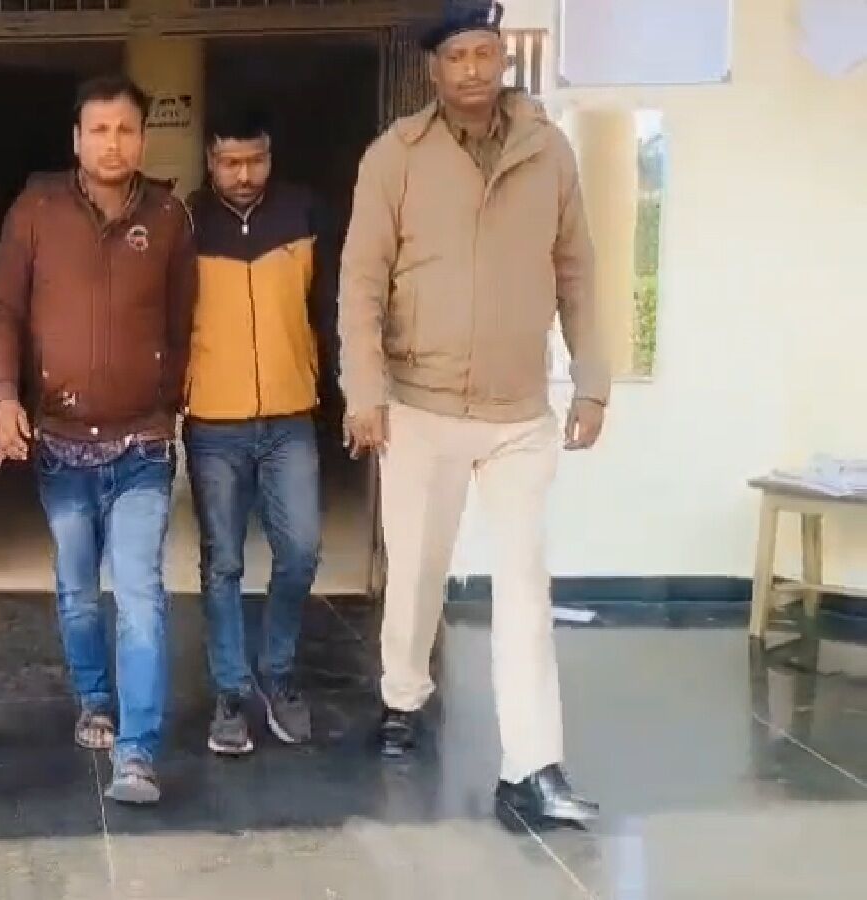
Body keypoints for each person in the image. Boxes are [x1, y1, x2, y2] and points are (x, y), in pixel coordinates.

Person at [337, 0, 609, 826]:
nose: (471, 70)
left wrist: (592, 380)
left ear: (502, 57)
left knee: (524, 585)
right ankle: (402, 694)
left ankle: (533, 766)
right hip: (420, 406)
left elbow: (578, 271)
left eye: (484, 53)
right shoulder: (395, 157)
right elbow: (360, 283)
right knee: (417, 570)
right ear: (433, 68)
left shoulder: (547, 152)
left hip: (518, 412)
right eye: (456, 57)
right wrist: (364, 391)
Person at [0, 74, 198, 805]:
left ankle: (137, 751)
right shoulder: (36, 210)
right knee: (78, 590)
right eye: (99, 130)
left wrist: (167, 403)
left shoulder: (168, 217)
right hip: (61, 445)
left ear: (143, 139)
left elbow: (182, 322)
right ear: (76, 139)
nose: (113, 143)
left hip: (142, 446)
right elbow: (2, 309)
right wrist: (2, 395)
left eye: (126, 130)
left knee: (139, 592)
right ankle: (95, 699)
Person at [183, 105, 330, 756]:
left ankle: (277, 671)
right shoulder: (186, 222)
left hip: (290, 416)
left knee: (300, 550)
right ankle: (230, 692)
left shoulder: (304, 212)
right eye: (229, 162)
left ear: (271, 155)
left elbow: (327, 307)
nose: (243, 175)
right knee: (223, 562)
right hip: (213, 421)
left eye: (255, 160)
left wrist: (339, 390)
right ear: (209, 160)